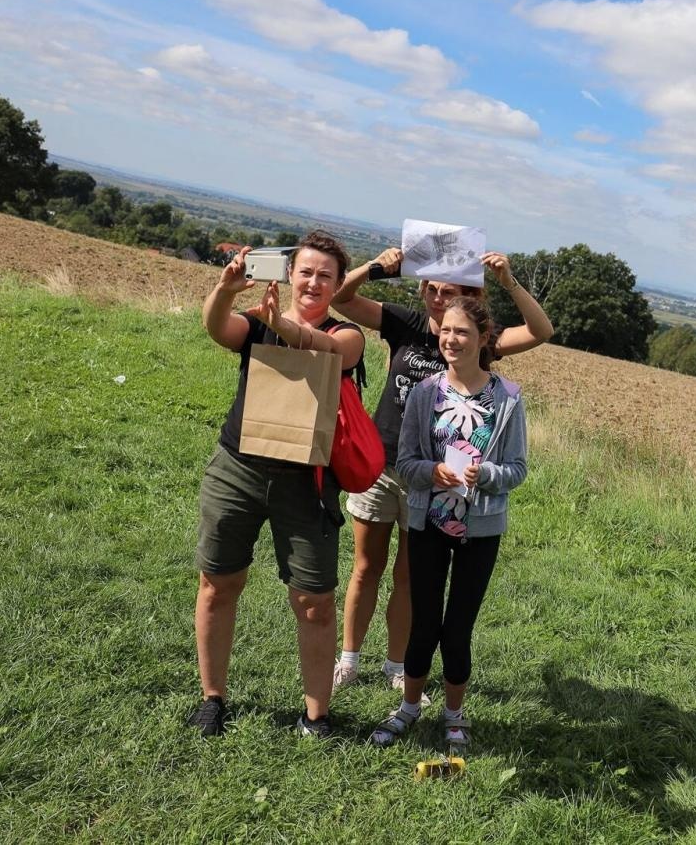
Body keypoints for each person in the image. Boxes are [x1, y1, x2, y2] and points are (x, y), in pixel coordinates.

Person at [327, 249, 552, 694]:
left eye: (447, 291)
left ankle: (396, 665)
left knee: (409, 576)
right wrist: (377, 267)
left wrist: (508, 280)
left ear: (468, 295)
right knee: (365, 567)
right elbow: (341, 299)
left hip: (433, 483)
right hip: (383, 464)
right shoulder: (404, 323)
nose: (435, 297)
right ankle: (348, 659)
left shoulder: (476, 340)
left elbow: (541, 331)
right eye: (429, 287)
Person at [187, 232, 366, 739]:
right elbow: (218, 329)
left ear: (335, 285)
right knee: (218, 583)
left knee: (314, 601)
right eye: (306, 272)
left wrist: (281, 324)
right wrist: (225, 291)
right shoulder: (256, 324)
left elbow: (327, 348)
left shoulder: (347, 333)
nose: (313, 281)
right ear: (290, 275)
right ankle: (212, 698)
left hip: (308, 482)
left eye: (325, 275)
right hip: (237, 468)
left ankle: (316, 716)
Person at [369, 296, 527, 751]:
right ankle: (409, 709)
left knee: (457, 629)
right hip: (428, 521)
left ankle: (454, 717)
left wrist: (488, 475)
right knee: (423, 624)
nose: (451, 339)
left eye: (462, 332)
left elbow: (517, 468)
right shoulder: (425, 393)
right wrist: (431, 472)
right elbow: (406, 460)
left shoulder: (508, 401)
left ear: (483, 340)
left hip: (479, 530)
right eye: (446, 331)